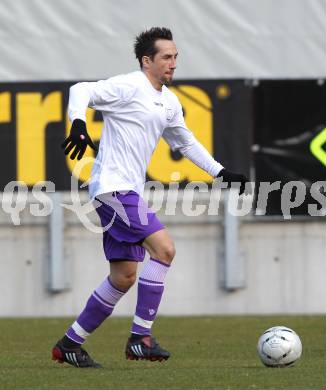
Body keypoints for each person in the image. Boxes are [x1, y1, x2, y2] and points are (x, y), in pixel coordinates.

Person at [52, 27, 248, 368]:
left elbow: (184, 142)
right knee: (165, 249)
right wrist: (78, 124)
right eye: (166, 57)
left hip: (124, 190)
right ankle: (140, 338)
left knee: (124, 276)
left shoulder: (168, 101)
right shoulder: (130, 86)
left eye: (175, 57)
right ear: (147, 61)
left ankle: (69, 344)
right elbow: (80, 89)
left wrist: (220, 172)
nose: (173, 64)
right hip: (114, 189)